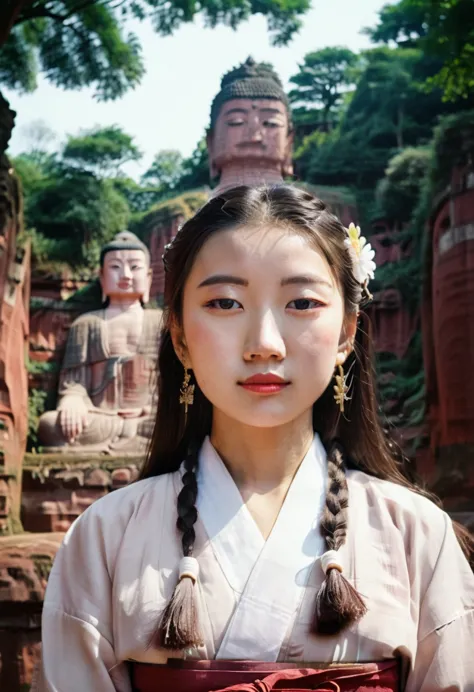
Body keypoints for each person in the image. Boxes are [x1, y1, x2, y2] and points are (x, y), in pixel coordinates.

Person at [35, 185, 474, 692]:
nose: (264, 344)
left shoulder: (416, 534)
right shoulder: (103, 538)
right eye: (225, 302)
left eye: (302, 302)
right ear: (178, 333)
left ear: (347, 332)